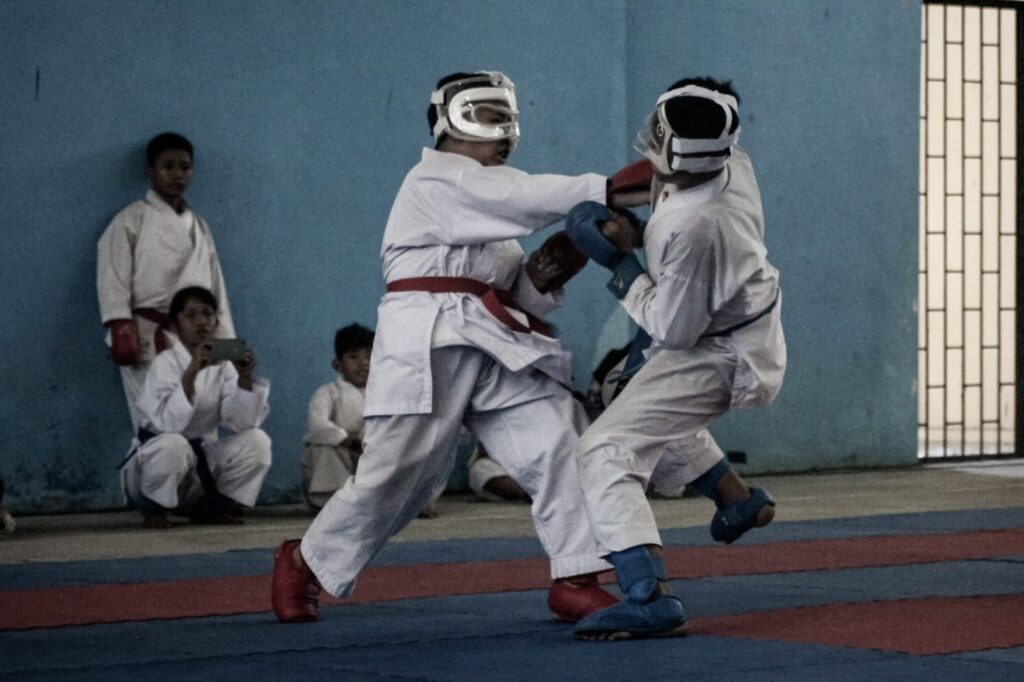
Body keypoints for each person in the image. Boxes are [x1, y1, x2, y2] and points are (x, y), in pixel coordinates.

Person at [272, 70, 647, 625]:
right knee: (399, 477)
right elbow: (523, 194)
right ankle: (303, 561)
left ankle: (576, 574)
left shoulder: (488, 210)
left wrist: (540, 277)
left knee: (556, 438)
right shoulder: (437, 181)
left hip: (491, 342)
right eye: (492, 120)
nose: (507, 136)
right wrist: (610, 188)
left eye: (508, 123)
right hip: (428, 338)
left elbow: (504, 289)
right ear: (451, 121)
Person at [565, 77, 785, 639]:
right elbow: (662, 174)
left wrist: (618, 262)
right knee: (634, 401)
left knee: (605, 449)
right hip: (735, 325)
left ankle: (647, 594)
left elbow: (671, 326)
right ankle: (735, 502)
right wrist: (623, 208)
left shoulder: (696, 225)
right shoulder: (731, 155)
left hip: (716, 352)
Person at [97, 132, 234, 431]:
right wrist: (120, 326)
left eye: (185, 167)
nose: (178, 175)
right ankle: (154, 476)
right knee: (154, 425)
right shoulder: (129, 220)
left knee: (201, 416)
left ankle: (200, 477)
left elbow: (216, 290)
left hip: (196, 336)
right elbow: (113, 277)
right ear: (151, 171)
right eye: (168, 166)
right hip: (148, 337)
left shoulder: (199, 226)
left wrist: (226, 342)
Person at [120, 286, 271, 529]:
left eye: (207, 314)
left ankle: (212, 507)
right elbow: (167, 425)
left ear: (216, 321)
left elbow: (242, 423)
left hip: (195, 468)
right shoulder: (164, 364)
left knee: (257, 441)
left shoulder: (224, 366)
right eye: (190, 316)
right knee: (174, 444)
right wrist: (192, 372)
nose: (201, 322)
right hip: (155, 465)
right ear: (175, 325)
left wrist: (244, 378)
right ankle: (154, 507)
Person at [302, 324, 373, 510]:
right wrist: (345, 440)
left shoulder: (386, 393)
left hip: (372, 456)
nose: (364, 363)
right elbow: (317, 425)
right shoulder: (327, 392)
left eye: (369, 355)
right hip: (341, 459)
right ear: (338, 365)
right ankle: (334, 503)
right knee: (322, 447)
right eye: (354, 357)